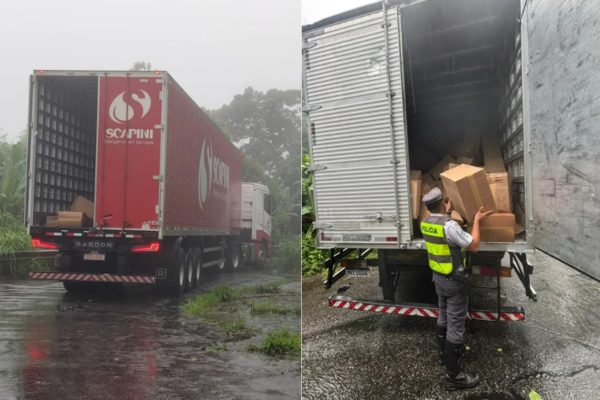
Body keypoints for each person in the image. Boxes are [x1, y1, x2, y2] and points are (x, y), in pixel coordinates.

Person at [420, 187, 493, 391]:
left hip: (438, 279)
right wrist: (477, 220)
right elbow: (474, 245)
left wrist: (448, 212)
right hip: (454, 283)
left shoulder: (426, 223)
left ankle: (444, 358)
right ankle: (454, 377)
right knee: (456, 327)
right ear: (444, 202)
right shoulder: (450, 226)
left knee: (443, 317)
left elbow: (443, 230)